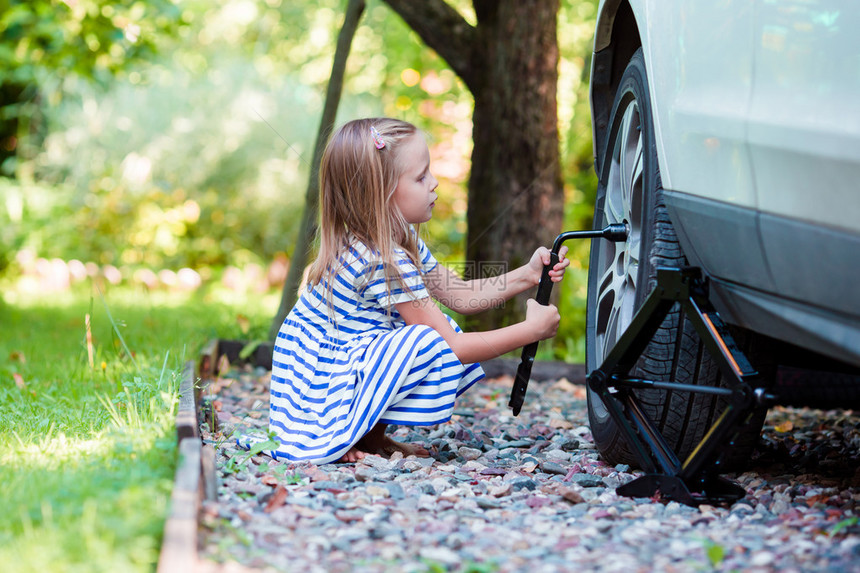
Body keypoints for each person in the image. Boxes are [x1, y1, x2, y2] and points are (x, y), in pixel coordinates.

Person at [243, 117, 568, 464]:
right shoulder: (382, 260)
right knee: (427, 340)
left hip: (339, 359)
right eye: (420, 176)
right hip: (317, 378)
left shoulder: (396, 237)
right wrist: (530, 331)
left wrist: (527, 275)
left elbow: (459, 294)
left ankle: (371, 438)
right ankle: (342, 435)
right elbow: (453, 348)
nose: (435, 182)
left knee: (426, 330)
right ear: (380, 194)